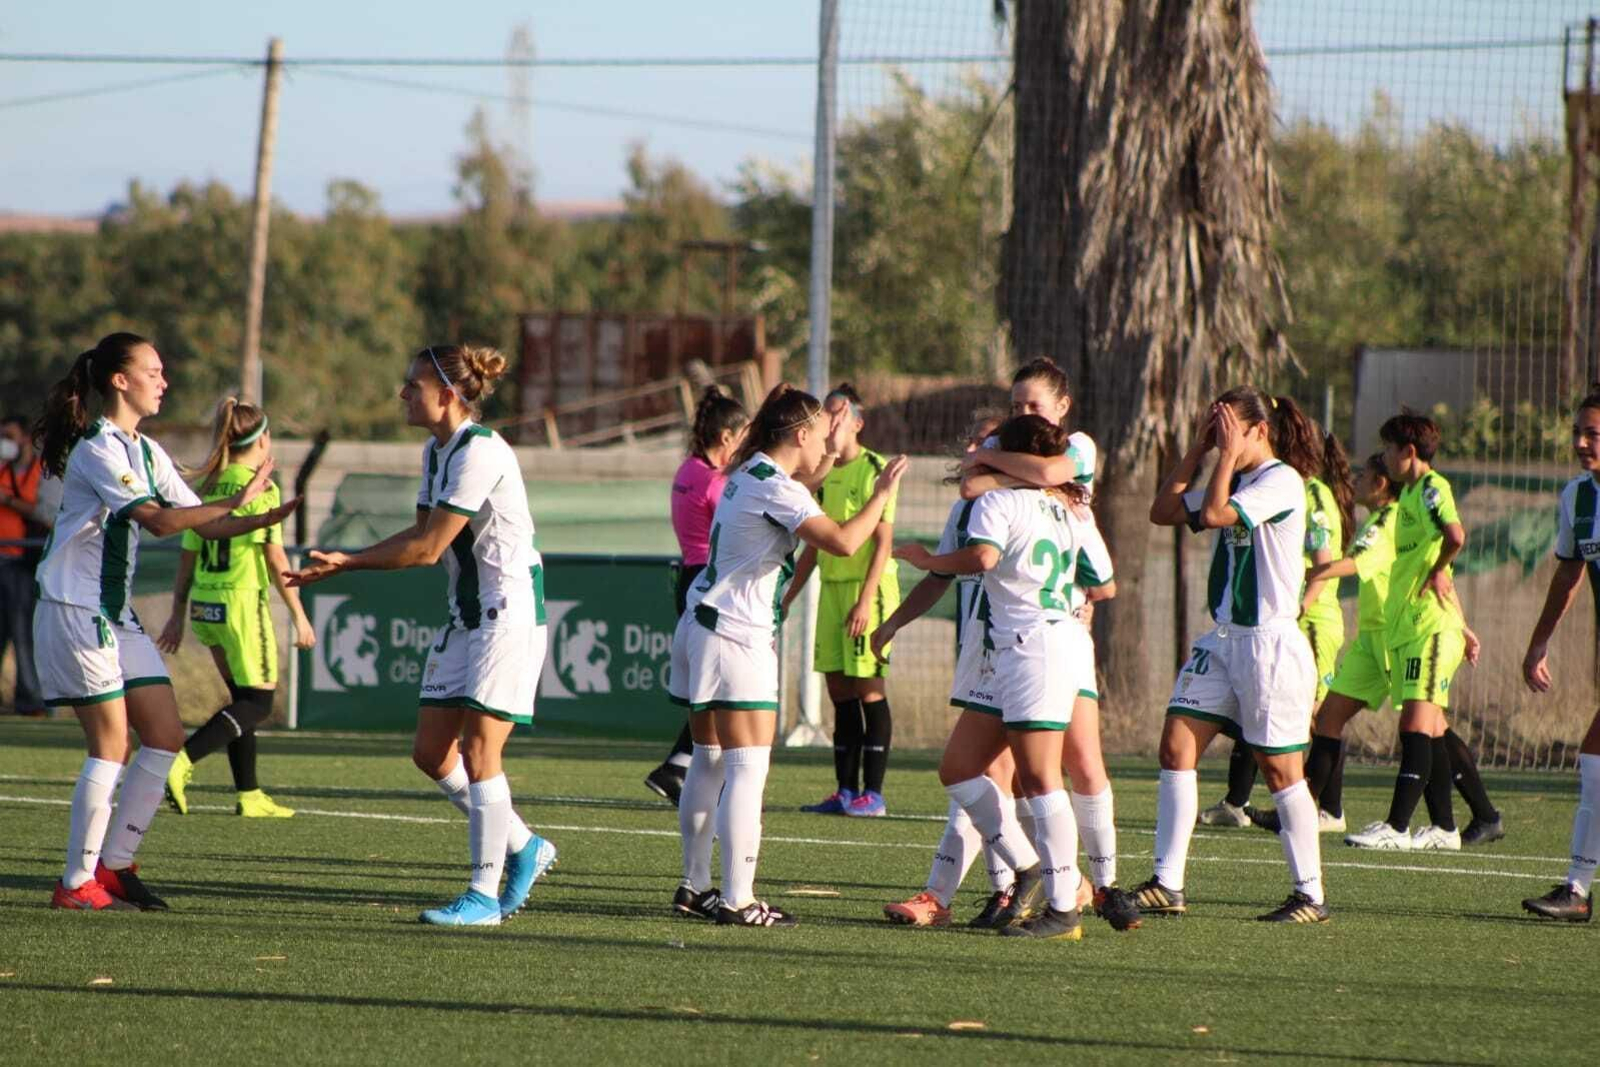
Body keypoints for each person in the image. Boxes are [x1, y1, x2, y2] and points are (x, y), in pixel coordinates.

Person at [286, 344, 557, 927]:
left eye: (413, 384)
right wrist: (346, 561)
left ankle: (484, 896)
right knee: (432, 754)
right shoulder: (438, 451)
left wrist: (351, 563)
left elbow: (429, 549)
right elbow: (420, 532)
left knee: (483, 752)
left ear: (448, 394)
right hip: (467, 614)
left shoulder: (480, 452)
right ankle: (525, 846)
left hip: (506, 612)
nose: (404, 393)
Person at [34, 332, 297, 910]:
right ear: (120, 381)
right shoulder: (97, 448)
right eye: (153, 371)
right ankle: (74, 884)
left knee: (165, 738)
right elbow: (158, 521)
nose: (164, 381)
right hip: (76, 610)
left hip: (113, 614)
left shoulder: (147, 451)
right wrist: (234, 502)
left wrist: (260, 515)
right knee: (111, 745)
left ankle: (116, 865)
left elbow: (200, 524)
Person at [668, 384, 906, 926]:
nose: (828, 438)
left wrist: (824, 449)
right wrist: (881, 491)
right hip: (737, 636)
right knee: (747, 769)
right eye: (821, 430)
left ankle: (695, 884)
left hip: (702, 621)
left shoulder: (749, 471)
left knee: (707, 761)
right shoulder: (776, 486)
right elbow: (844, 541)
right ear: (800, 434)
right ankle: (738, 899)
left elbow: (804, 482)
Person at [895, 413, 1111, 940]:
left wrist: (930, 559)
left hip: (1033, 646)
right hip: (1027, 648)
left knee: (1040, 780)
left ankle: (1063, 908)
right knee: (960, 767)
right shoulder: (1065, 505)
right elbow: (1101, 580)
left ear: (1007, 451)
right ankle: (1027, 863)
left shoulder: (998, 500)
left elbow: (984, 556)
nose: (979, 447)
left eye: (991, 443)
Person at [948, 358, 1141, 930]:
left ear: (1062, 408)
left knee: (1075, 765)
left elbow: (1046, 470)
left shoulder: (1076, 445)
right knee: (1002, 769)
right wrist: (1000, 466)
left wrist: (987, 455)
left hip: (1052, 630)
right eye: (1017, 406)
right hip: (1020, 634)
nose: (1024, 413)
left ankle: (1096, 888)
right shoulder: (1033, 486)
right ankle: (1042, 883)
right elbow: (977, 484)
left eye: (1034, 404)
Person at [1133, 387, 1328, 924]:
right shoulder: (1233, 475)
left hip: (1270, 643)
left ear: (1258, 431)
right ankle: (1167, 883)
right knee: (1176, 745)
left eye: (1227, 430)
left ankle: (1310, 894)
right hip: (1223, 641)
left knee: (1280, 769)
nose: (1221, 441)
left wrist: (1220, 458)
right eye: (1214, 430)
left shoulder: (1281, 480)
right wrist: (1198, 452)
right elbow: (1163, 511)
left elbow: (1216, 514)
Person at [1344, 410, 1501, 851]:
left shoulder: (1432, 489)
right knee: (1430, 729)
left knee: (1416, 724)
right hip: (1417, 626)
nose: (1385, 459)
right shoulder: (1410, 496)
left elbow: (1456, 535)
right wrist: (1463, 621)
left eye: (1390, 450)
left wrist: (1438, 571)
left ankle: (1396, 827)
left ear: (1407, 452)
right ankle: (1448, 828)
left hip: (1430, 629)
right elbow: (1440, 564)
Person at [157, 398, 315, 818]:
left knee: (241, 697)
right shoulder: (262, 487)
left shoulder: (207, 488)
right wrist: (299, 614)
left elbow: (187, 555)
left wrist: (176, 612)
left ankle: (249, 794)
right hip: (241, 601)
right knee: (258, 704)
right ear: (262, 439)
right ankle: (181, 760)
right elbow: (276, 559)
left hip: (206, 605)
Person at [1200, 420, 1355, 830]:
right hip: (1278, 620)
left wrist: (1300, 607)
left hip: (1312, 618)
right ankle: (1237, 800)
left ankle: (1327, 807)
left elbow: (1322, 563)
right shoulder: (1272, 484)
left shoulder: (1309, 491)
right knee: (1261, 710)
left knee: (1321, 714)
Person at [789, 384, 902, 817]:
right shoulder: (821, 472)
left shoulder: (875, 469)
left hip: (865, 592)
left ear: (857, 421)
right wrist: (789, 596)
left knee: (868, 688)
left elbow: (883, 543)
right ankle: (843, 790)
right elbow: (814, 545)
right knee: (838, 690)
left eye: (838, 413)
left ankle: (872, 794)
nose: (831, 421)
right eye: (826, 415)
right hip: (832, 591)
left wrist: (865, 602)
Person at [644, 386, 749, 806]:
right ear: (726, 437)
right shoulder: (714, 482)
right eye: (741, 437)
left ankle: (679, 764)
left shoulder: (686, 471)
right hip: (711, 581)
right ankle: (683, 768)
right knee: (720, 687)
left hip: (688, 576)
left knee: (709, 684)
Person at [1519, 387, 1600, 921]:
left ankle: (1576, 888)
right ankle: (1576, 889)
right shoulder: (1578, 497)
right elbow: (1569, 572)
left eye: (1592, 433)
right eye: (1578, 431)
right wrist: (1539, 641)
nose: (1579, 442)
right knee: (1594, 761)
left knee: (1595, 758)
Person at [0, 412, 51, 716]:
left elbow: (44, 512)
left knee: (23, 633)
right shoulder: (3, 470)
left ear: (25, 439)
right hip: (2, 559)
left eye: (9, 436)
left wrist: (8, 501)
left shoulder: (41, 471)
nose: (5, 443)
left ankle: (31, 700)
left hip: (23, 561)